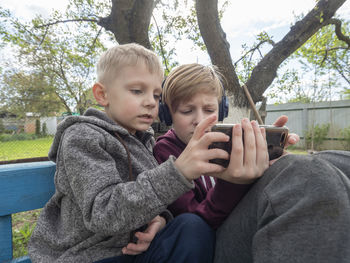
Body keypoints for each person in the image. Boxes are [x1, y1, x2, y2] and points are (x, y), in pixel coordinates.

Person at [28, 44, 242, 263]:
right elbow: (103, 213)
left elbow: (149, 201)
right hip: (88, 256)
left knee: (192, 228)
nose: (150, 101)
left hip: (135, 252)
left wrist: (161, 221)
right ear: (102, 94)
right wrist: (177, 172)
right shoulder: (83, 138)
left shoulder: (145, 143)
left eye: (157, 95)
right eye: (137, 91)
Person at [153, 63, 350, 263]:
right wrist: (233, 184)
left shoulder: (226, 140)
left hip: (240, 218)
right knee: (309, 172)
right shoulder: (165, 152)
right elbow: (192, 224)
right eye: (187, 111)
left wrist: (266, 156)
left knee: (334, 162)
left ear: (222, 110)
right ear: (167, 114)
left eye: (209, 109)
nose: (200, 119)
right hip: (211, 240)